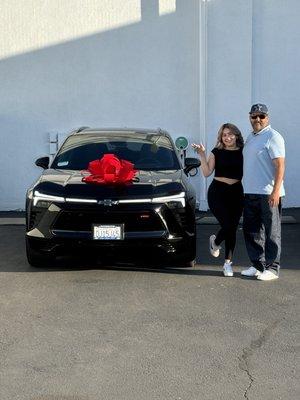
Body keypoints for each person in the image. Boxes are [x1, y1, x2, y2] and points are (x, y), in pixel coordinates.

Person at [192, 123, 244, 277]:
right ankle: (215, 243)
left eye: (230, 134)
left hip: (236, 192)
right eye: (224, 135)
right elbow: (207, 172)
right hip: (217, 193)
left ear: (237, 135)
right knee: (228, 225)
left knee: (232, 229)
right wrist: (202, 154)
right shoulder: (216, 152)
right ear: (221, 137)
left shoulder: (243, 152)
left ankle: (227, 263)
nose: (227, 137)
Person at [241, 104, 285, 281]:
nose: (257, 119)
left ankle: (272, 268)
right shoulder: (251, 137)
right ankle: (257, 265)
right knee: (252, 231)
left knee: (271, 232)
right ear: (250, 117)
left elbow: (280, 165)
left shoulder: (273, 137)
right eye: (254, 116)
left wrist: (275, 192)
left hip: (268, 193)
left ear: (268, 117)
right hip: (250, 191)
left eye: (261, 116)